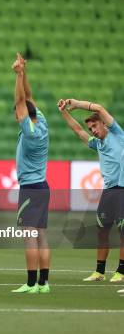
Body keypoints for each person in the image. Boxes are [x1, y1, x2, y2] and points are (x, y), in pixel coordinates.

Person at [58, 97, 124, 283]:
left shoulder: (117, 134)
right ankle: (99, 272)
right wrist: (64, 112)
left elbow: (100, 108)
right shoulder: (98, 144)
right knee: (102, 231)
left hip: (122, 189)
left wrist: (77, 104)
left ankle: (121, 271)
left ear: (104, 124)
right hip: (109, 191)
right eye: (91, 129)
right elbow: (77, 130)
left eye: (95, 126)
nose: (93, 130)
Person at [10, 53, 51, 294]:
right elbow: (28, 97)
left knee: (29, 237)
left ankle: (31, 283)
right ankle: (44, 283)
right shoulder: (42, 121)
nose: (16, 115)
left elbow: (20, 101)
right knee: (42, 236)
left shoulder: (31, 132)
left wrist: (17, 75)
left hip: (30, 189)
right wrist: (23, 73)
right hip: (42, 187)